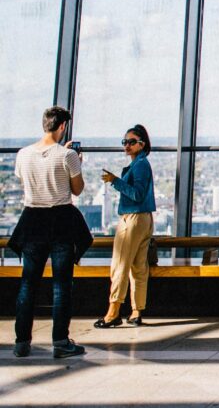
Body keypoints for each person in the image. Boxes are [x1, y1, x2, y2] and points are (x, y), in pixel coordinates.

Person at [9, 106, 91, 359]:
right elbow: (77, 190)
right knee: (61, 284)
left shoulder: (23, 154)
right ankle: (60, 341)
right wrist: (76, 161)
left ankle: (22, 342)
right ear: (63, 126)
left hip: (32, 220)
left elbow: (25, 182)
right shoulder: (67, 156)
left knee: (28, 283)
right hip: (60, 222)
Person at [95, 124, 157, 328]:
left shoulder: (139, 166)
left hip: (132, 219)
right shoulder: (141, 164)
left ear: (142, 144)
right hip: (144, 219)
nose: (127, 146)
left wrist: (115, 181)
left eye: (131, 142)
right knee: (139, 267)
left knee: (120, 265)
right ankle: (136, 311)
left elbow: (137, 194)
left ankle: (113, 312)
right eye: (124, 142)